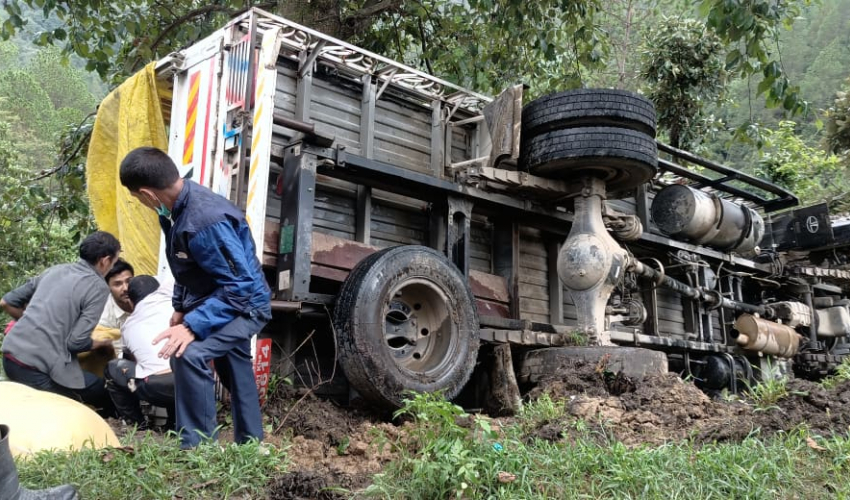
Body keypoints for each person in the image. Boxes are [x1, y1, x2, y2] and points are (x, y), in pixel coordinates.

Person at [119, 147, 271, 448]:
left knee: (188, 353)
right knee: (234, 366)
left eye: (137, 198)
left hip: (246, 306)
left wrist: (192, 326)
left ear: (148, 194)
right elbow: (187, 268)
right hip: (222, 301)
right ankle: (251, 445)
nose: (142, 203)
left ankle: (199, 449)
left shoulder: (203, 221)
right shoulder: (176, 211)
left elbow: (240, 286)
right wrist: (180, 307)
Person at [0, 231, 121, 417]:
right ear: (104, 261)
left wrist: (32, 322)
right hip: (35, 368)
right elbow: (76, 342)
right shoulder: (98, 287)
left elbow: (6, 302)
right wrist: (102, 343)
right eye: (114, 262)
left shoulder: (56, 270)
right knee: (101, 392)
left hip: (10, 354)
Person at [105, 275, 176, 431]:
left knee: (113, 368)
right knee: (172, 363)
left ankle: (136, 425)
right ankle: (174, 425)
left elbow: (132, 359)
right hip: (188, 382)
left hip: (155, 388)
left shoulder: (128, 326)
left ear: (131, 301)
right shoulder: (174, 306)